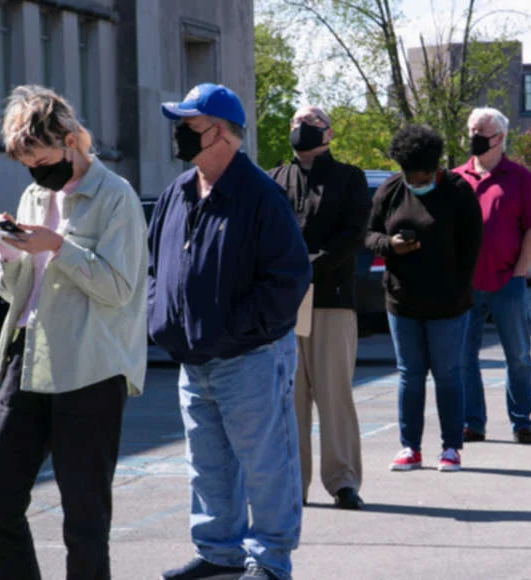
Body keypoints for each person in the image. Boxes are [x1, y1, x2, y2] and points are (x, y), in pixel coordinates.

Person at [0, 85, 149, 579]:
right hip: (27, 359)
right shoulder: (34, 194)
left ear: (71, 140)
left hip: (90, 368)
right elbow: (15, 292)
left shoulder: (116, 196)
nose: (36, 173)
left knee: (85, 522)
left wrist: (57, 247)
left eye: (42, 158)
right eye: (27, 164)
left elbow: (118, 288)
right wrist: (8, 253)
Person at [150, 84, 311, 580]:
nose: (178, 134)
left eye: (188, 125)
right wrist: (163, 318)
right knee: (208, 466)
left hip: (249, 358)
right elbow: (155, 267)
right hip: (193, 360)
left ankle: (270, 560)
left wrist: (234, 330)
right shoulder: (177, 193)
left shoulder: (261, 194)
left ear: (218, 132)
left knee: (266, 465)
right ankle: (218, 555)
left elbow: (289, 280)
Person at [267, 106, 369, 511]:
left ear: (327, 133)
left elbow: (352, 235)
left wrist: (308, 264)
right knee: (290, 398)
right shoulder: (274, 179)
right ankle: (295, 483)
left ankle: (343, 481)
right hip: (285, 304)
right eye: (294, 122)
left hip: (331, 297)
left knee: (334, 393)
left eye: (307, 123)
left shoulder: (349, 178)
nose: (298, 128)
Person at [366, 125, 483, 473]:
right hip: (402, 302)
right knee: (410, 375)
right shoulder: (390, 190)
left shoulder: (460, 193)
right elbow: (369, 234)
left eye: (423, 177)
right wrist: (391, 246)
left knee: (447, 375)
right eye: (410, 176)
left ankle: (451, 448)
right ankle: (409, 447)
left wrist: (457, 292)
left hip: (448, 305)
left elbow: (471, 249)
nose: (416, 182)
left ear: (436, 170)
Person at [454, 107, 531, 446]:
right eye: (471, 130)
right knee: (464, 355)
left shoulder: (520, 178)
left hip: (508, 281)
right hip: (465, 284)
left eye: (481, 132)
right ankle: (472, 423)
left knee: (518, 354)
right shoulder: (456, 178)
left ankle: (521, 421)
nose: (474, 137)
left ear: (500, 138)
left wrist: (520, 271)